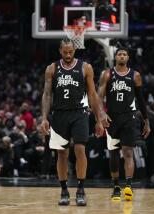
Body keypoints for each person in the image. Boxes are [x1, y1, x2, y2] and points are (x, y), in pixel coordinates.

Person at [40, 39, 106, 206]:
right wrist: (44, 118)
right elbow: (47, 94)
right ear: (60, 51)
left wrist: (99, 119)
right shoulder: (51, 69)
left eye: (71, 52)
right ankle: (64, 190)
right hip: (59, 114)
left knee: (80, 148)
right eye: (65, 52)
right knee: (61, 153)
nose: (68, 55)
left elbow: (92, 95)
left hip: (80, 113)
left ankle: (81, 189)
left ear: (74, 50)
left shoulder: (85, 67)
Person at [98, 47, 151, 201]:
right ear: (115, 57)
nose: (122, 56)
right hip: (111, 118)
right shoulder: (107, 74)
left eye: (124, 54)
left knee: (128, 152)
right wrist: (101, 114)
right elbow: (99, 96)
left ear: (128, 57)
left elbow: (141, 100)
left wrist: (146, 121)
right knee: (113, 154)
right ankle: (116, 187)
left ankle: (128, 185)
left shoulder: (135, 75)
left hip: (129, 117)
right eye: (119, 54)